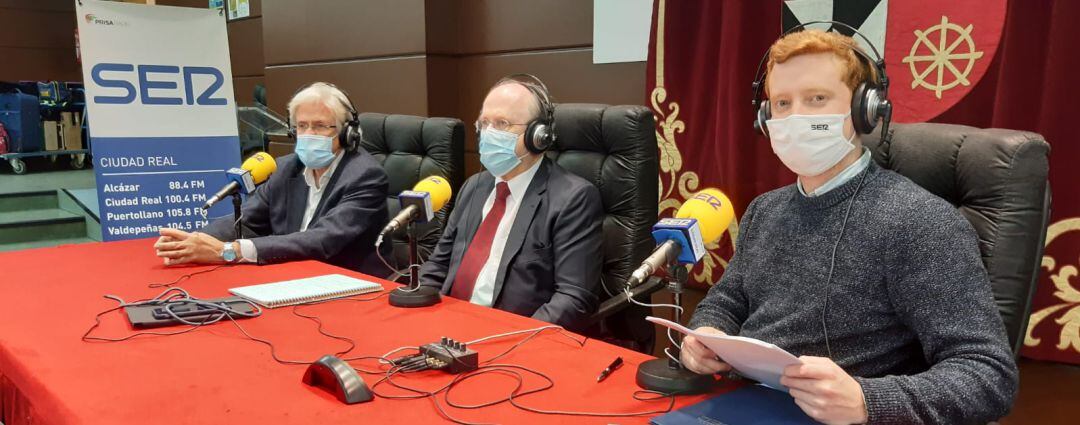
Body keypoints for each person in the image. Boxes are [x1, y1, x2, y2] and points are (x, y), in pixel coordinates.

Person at [680, 29, 1018, 424]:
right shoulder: (764, 210)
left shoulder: (920, 222)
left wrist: (867, 401)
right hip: (739, 405)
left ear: (865, 110)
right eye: (782, 103)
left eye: (817, 99)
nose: (795, 117)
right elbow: (728, 300)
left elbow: (988, 376)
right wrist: (706, 335)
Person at [417, 74, 603, 332]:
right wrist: (418, 310)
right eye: (484, 123)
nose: (489, 133)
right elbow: (438, 265)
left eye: (502, 124)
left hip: (511, 339)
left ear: (539, 135)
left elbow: (573, 298)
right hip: (449, 327)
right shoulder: (474, 187)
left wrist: (512, 341)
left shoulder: (573, 198)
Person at [153, 82, 390, 275]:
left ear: (347, 133)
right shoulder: (287, 168)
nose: (308, 135)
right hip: (291, 275)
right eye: (301, 126)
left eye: (319, 126)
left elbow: (323, 240)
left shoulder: (365, 176)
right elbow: (246, 220)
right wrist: (195, 241)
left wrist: (228, 251)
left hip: (349, 282)